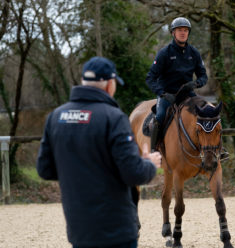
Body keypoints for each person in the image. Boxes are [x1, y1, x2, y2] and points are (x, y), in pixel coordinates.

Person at [37, 56, 162, 248]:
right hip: (116, 230)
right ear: (110, 84)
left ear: (83, 82)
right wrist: (149, 164)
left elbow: (45, 170)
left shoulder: (55, 117)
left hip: (79, 229)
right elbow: (133, 174)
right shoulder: (113, 118)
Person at [145, 17, 208, 151]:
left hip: (187, 94)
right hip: (167, 95)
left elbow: (203, 76)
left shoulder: (194, 53)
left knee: (207, 111)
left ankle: (212, 149)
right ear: (173, 33)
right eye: (179, 30)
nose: (183, 33)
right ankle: (155, 148)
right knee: (160, 116)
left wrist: (196, 83)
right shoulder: (164, 53)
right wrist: (162, 93)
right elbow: (150, 78)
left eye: (185, 30)